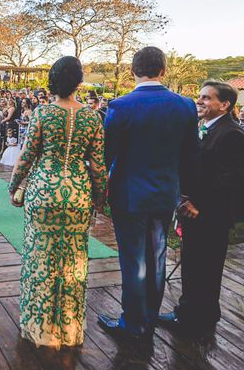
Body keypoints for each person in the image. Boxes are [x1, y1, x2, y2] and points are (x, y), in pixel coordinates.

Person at [98, 46, 198, 339]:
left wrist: (99, 191)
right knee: (157, 257)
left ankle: (134, 323)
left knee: (133, 259)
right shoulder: (186, 105)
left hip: (129, 196)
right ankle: (150, 318)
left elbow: (107, 154)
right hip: (166, 194)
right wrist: (186, 194)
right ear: (163, 70)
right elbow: (190, 156)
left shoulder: (121, 106)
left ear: (132, 71)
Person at [8, 56, 107, 348]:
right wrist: (99, 198)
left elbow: (26, 156)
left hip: (44, 191)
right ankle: (68, 328)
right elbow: (99, 166)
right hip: (78, 192)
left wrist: (15, 186)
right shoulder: (92, 117)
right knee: (73, 261)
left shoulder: (42, 113)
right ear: (79, 82)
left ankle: (39, 326)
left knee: (40, 258)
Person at [159, 81, 244, 336]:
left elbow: (230, 179)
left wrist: (198, 204)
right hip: (193, 210)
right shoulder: (205, 128)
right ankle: (190, 313)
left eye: (207, 98)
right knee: (193, 265)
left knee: (206, 268)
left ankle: (200, 319)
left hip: (211, 215)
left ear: (225, 105)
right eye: (199, 96)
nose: (199, 101)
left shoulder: (231, 134)